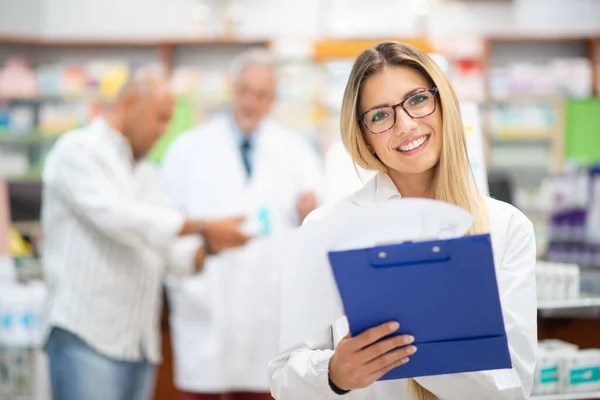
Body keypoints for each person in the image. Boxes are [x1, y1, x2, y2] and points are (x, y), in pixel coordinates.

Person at [268, 41, 537, 399]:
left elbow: (516, 387)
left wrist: (420, 350)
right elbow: (284, 377)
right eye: (380, 115)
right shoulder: (327, 228)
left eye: (417, 100)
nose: (406, 125)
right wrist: (335, 373)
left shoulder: (506, 227)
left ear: (443, 103)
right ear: (363, 135)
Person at [41, 68, 250, 400]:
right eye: (160, 118)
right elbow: (119, 219)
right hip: (86, 337)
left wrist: (211, 245)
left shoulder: (148, 173)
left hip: (137, 344)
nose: (164, 130)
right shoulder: (78, 150)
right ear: (128, 103)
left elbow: (166, 249)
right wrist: (201, 226)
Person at [160, 49, 323, 400]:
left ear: (272, 100)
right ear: (232, 90)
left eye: (261, 95)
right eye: (245, 91)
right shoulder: (187, 149)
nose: (251, 102)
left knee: (265, 388)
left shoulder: (295, 151)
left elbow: (316, 223)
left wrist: (310, 208)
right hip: (208, 306)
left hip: (267, 311)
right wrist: (199, 255)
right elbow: (167, 224)